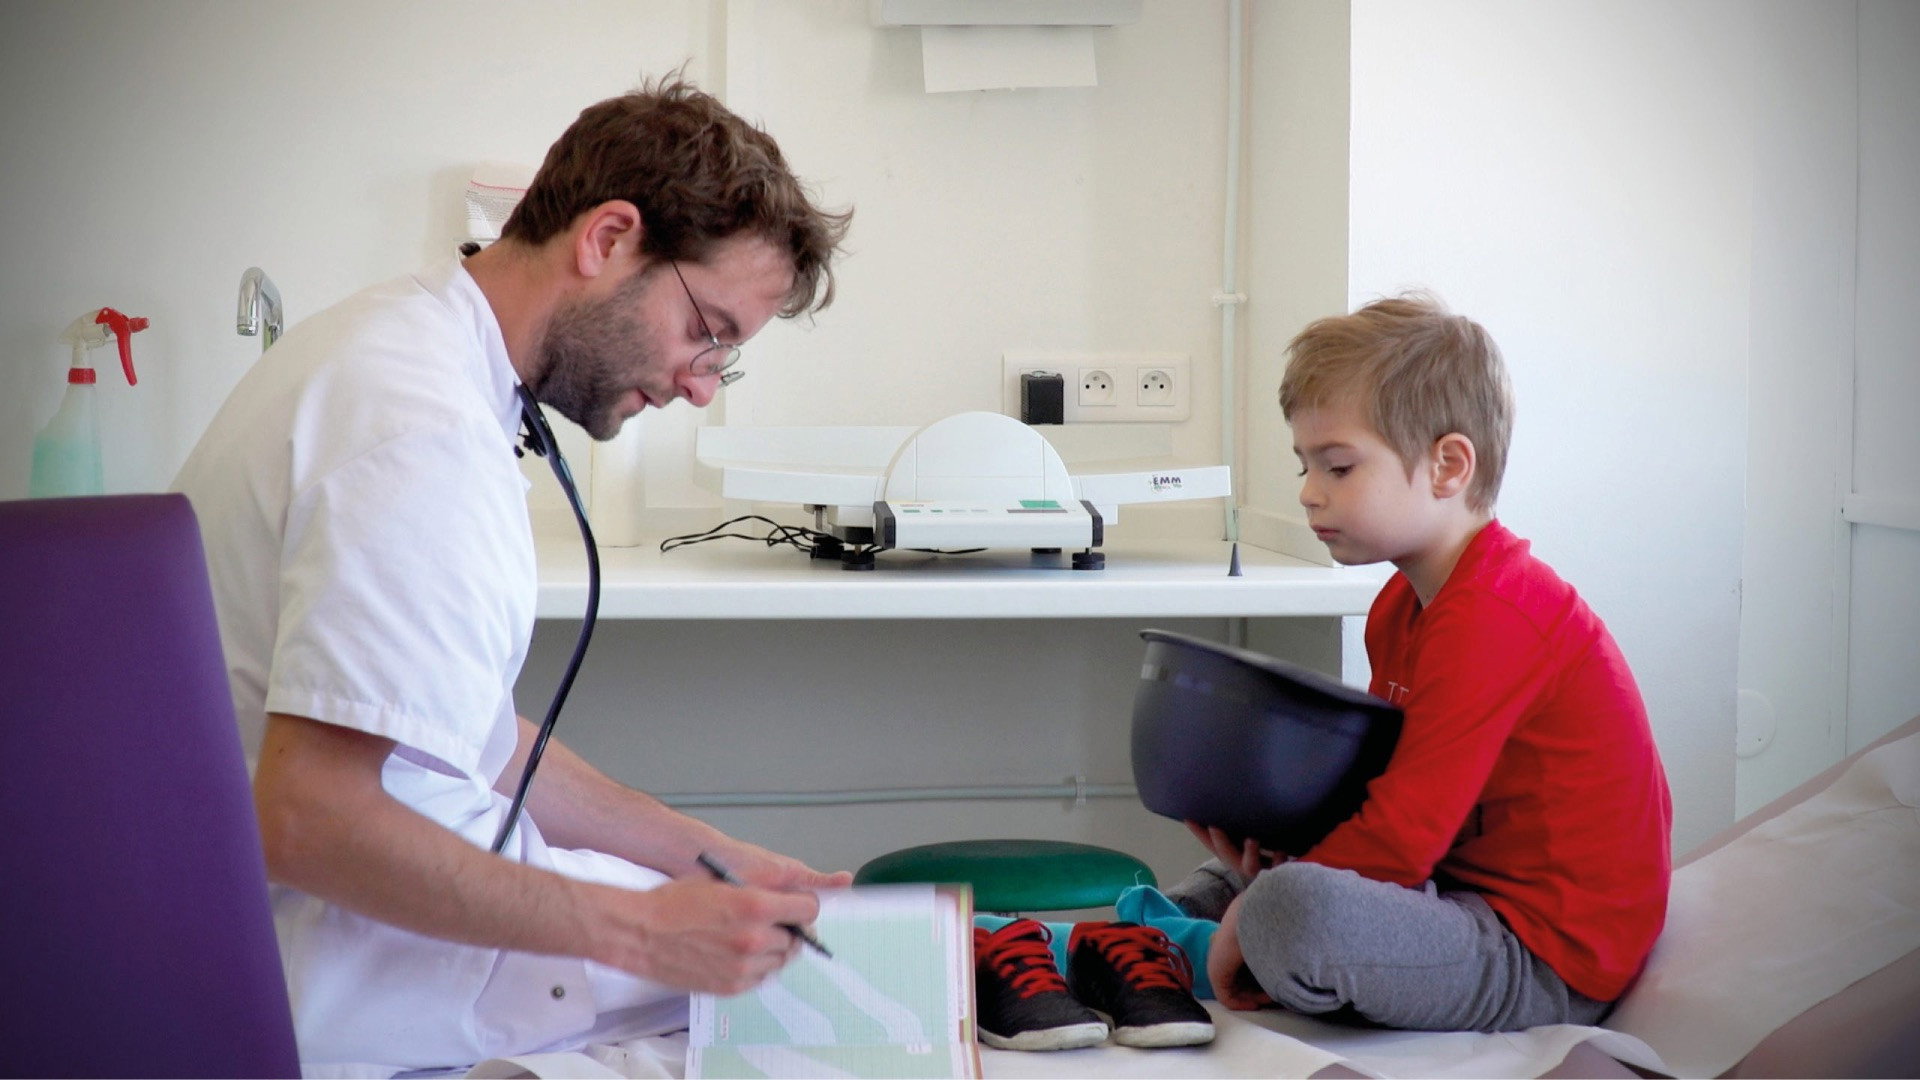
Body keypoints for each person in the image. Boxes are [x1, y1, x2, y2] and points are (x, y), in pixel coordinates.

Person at [171, 76, 854, 1074]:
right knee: (820, 1008)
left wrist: (693, 850)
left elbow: (467, 734)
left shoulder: (409, 349)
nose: (702, 384)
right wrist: (644, 931)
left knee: (784, 964)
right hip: (334, 969)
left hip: (372, 929)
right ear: (609, 238)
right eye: (710, 331)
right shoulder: (420, 432)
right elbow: (309, 819)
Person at [971, 293, 1672, 1044]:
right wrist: (1282, 846)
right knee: (1245, 875)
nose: (1309, 491)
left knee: (1290, 907)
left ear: (1448, 465)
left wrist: (1280, 889)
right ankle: (1124, 948)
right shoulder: (1402, 608)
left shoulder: (1499, 614)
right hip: (1451, 890)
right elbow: (1385, 797)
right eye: (1306, 464)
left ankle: (1182, 952)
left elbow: (1401, 841)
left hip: (1540, 955)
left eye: (1338, 466)